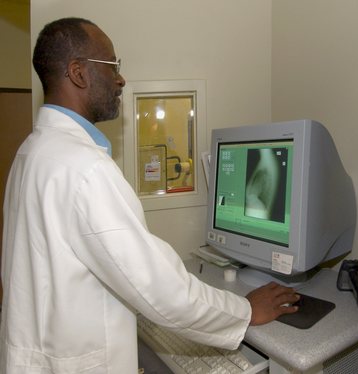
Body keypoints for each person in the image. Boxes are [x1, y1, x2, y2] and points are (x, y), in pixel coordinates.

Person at [0, 17, 299, 373]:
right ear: (78, 73)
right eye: (113, 66)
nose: (121, 79)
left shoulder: (32, 151)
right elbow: (162, 291)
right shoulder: (84, 168)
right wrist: (246, 311)